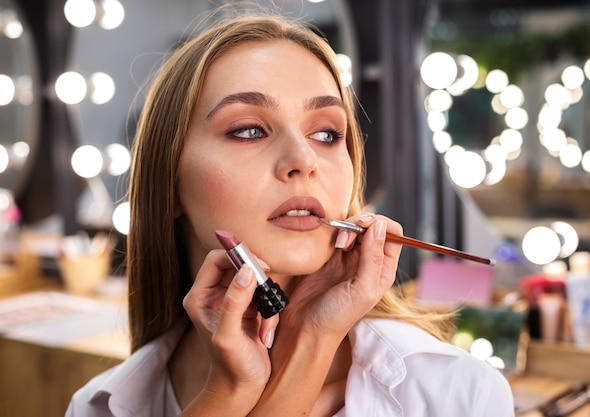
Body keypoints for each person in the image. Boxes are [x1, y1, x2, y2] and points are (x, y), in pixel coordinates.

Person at [65, 10, 515, 417]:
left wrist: (313, 338)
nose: (304, 159)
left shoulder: (457, 395)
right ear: (168, 186)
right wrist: (229, 394)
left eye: (326, 134)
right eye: (248, 130)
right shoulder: (99, 407)